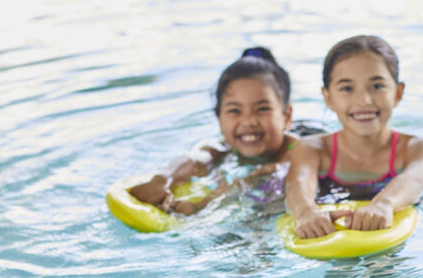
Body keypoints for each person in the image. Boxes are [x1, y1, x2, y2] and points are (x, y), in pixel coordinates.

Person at [284, 35, 423, 238]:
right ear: (328, 97)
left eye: (377, 86)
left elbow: (414, 181)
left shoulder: (417, 148)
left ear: (398, 93)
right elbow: (298, 184)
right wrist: (306, 213)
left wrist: (384, 204)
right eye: (347, 88)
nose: (364, 100)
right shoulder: (312, 149)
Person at [130, 47, 309, 215]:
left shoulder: (301, 152)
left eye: (262, 109)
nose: (248, 121)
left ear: (286, 116)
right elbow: (196, 159)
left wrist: (202, 205)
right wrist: (162, 180)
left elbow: (265, 176)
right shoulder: (220, 149)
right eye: (234, 111)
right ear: (219, 118)